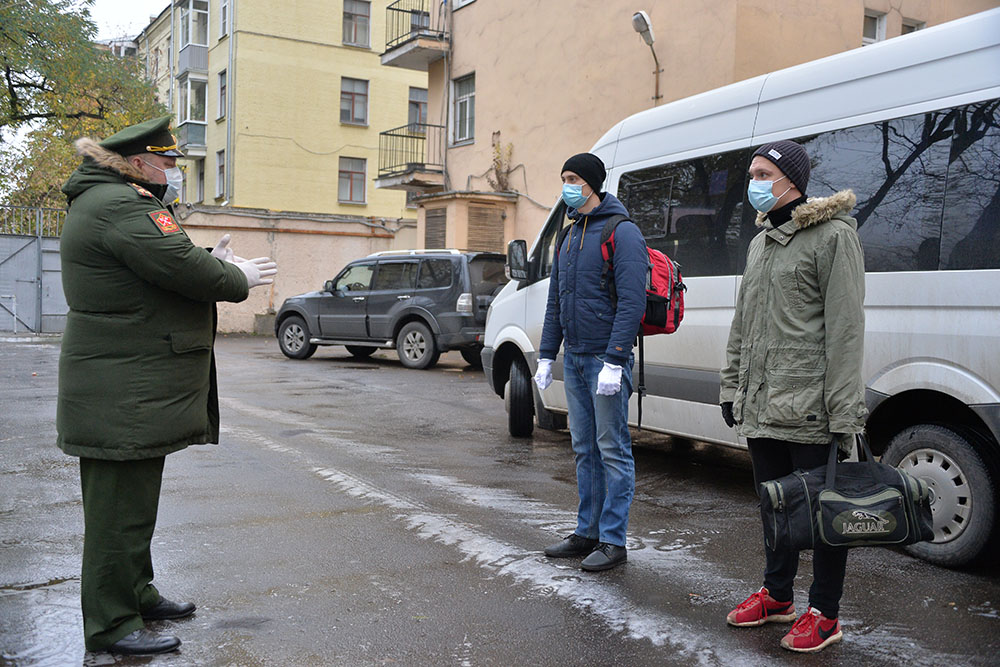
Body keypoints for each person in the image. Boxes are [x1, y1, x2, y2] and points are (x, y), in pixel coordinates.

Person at [57, 116, 277, 655]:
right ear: (137, 164)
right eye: (168, 162)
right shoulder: (120, 205)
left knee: (135, 506)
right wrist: (233, 277)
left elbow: (167, 265)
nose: (174, 172)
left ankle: (136, 593)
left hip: (127, 384)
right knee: (115, 514)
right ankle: (110, 624)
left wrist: (208, 261)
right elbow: (180, 268)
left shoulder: (117, 202)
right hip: (121, 388)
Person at [719, 140, 866, 653]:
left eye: (762, 173)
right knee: (773, 506)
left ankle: (825, 612)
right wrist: (730, 384)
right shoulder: (760, 244)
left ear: (791, 181)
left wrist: (845, 413)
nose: (754, 183)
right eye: (752, 174)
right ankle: (778, 595)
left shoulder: (832, 237)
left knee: (824, 515)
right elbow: (744, 325)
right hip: (762, 403)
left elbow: (846, 330)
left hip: (810, 407)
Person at [534, 153, 647, 571]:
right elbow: (555, 301)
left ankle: (613, 540)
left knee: (612, 449)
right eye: (564, 177)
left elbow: (632, 301)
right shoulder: (567, 236)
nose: (567, 184)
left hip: (605, 359)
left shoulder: (623, 232)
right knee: (584, 448)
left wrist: (616, 360)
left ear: (594, 183)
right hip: (576, 357)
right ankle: (587, 532)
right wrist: (547, 354)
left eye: (574, 178)